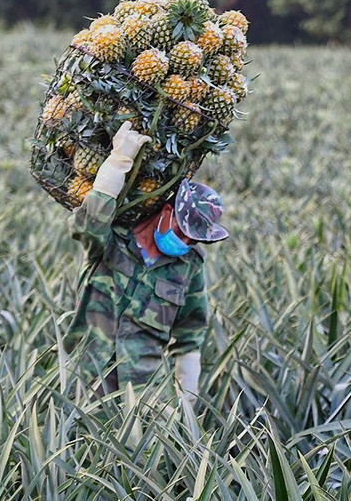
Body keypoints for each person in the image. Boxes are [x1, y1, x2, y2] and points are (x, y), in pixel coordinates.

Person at [63, 121, 229, 401]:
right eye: (182, 231)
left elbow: (190, 336)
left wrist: (187, 399)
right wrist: (117, 162)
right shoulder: (113, 237)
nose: (185, 243)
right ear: (167, 210)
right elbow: (87, 226)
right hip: (83, 381)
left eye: (194, 239)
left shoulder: (188, 267)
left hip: (143, 397)